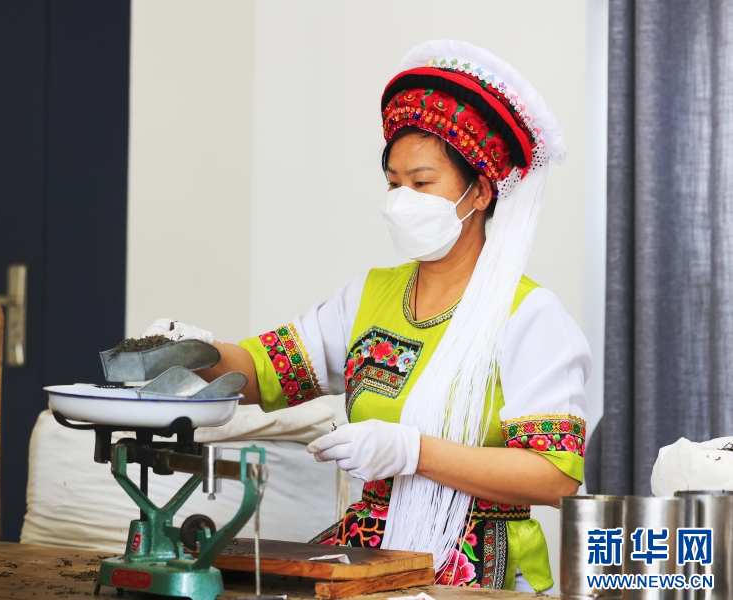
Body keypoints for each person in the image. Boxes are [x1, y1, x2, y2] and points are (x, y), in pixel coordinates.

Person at [143, 40, 589, 593]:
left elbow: (554, 478)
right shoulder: (369, 296)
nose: (402, 199)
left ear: (479, 192)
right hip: (372, 551)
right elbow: (263, 371)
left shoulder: (529, 315)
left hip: (477, 565)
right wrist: (193, 349)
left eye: (422, 183)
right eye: (393, 183)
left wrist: (413, 451)